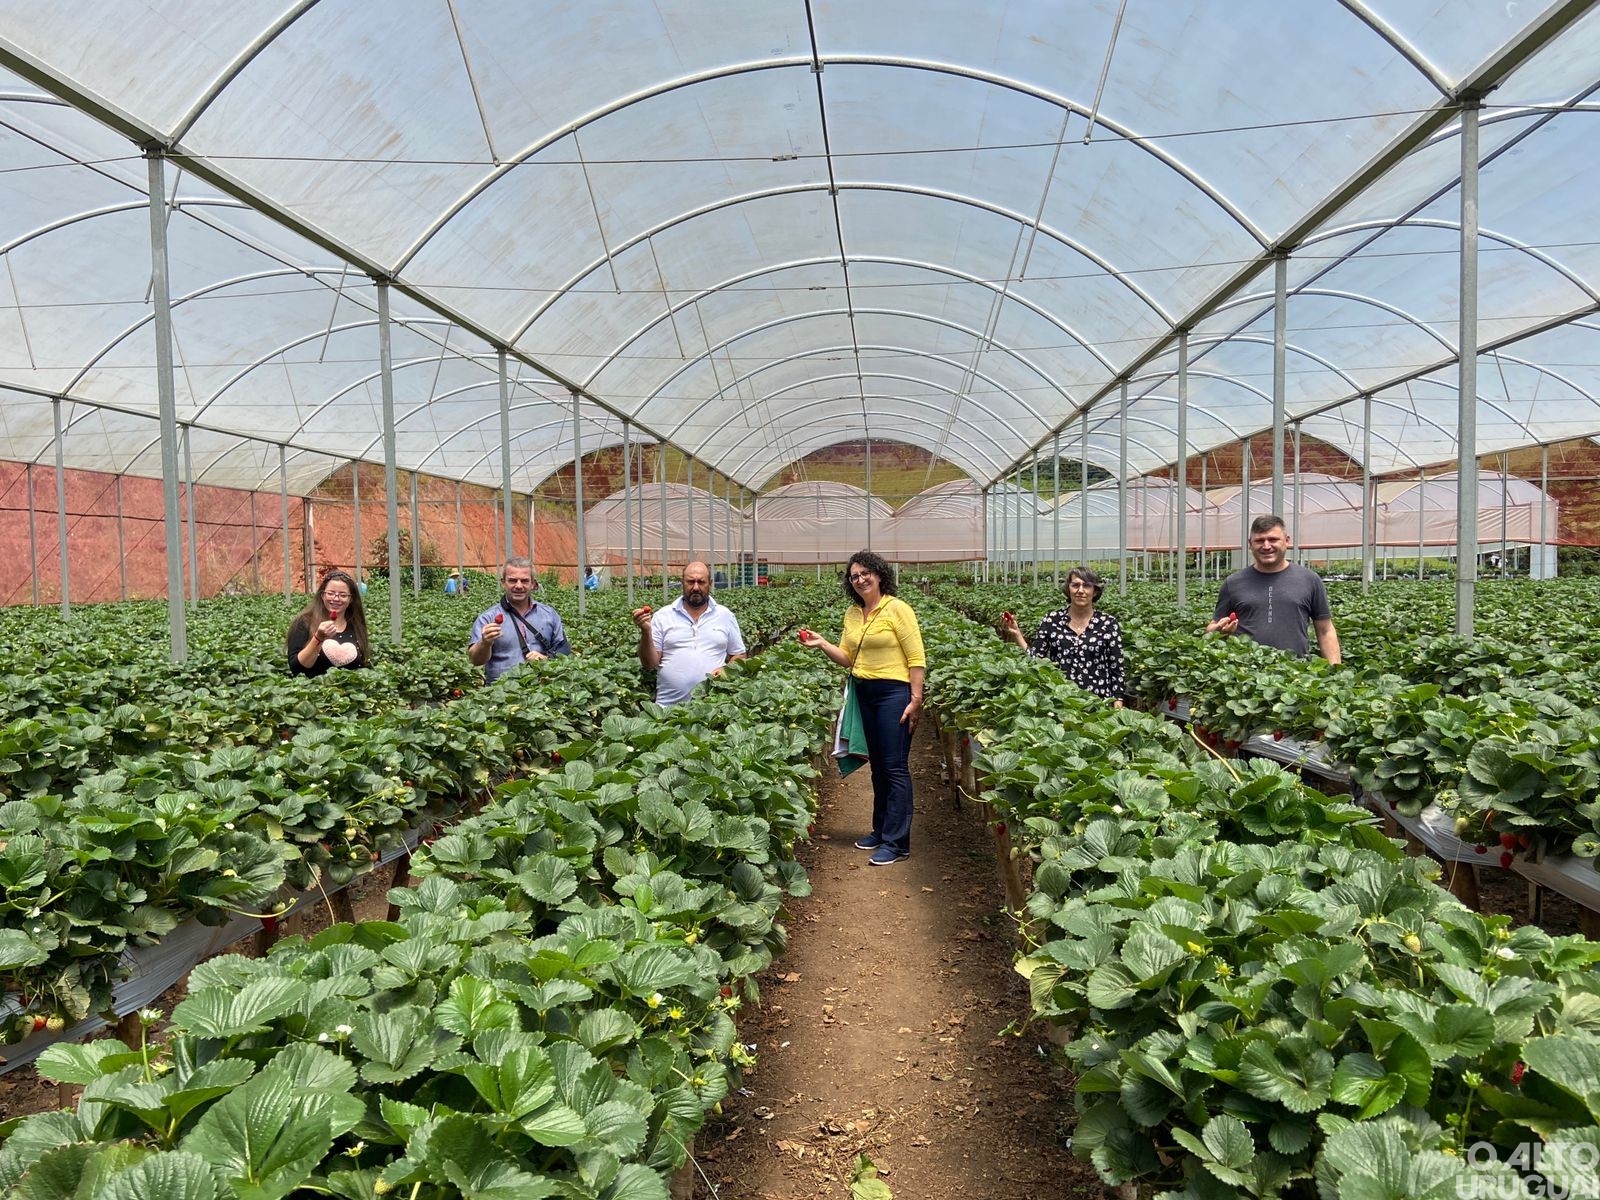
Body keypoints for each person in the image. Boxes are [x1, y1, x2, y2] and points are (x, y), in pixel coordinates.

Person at [799, 551, 925, 866]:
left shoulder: (898, 609)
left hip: (893, 693)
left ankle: (898, 844)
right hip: (864, 693)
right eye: (854, 576)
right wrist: (823, 644)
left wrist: (915, 699)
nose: (860, 579)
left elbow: (916, 657)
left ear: (880, 575)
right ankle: (881, 831)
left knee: (895, 768)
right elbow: (848, 657)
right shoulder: (853, 615)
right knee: (879, 766)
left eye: (865, 573)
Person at [1207, 515, 1341, 662]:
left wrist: (1335, 670)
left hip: (1297, 672)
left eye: (1273, 539)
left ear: (1287, 541)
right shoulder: (1233, 583)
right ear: (1250, 544)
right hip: (1248, 673)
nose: (1266, 546)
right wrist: (1218, 631)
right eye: (1259, 540)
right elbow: (1213, 626)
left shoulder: (1309, 579)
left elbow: (1325, 631)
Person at [1000, 566, 1125, 705]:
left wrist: (1118, 703)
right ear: (1068, 589)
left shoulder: (1108, 624)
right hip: (1060, 702)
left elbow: (1116, 668)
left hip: (1098, 704)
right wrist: (1018, 635)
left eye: (1087, 585)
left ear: (1095, 591)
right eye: (1075, 585)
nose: (1081, 591)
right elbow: (1036, 660)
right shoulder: (1052, 620)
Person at [633, 560, 746, 706]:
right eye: (690, 582)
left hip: (713, 707)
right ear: (682, 583)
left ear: (710, 584)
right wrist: (646, 631)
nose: (696, 587)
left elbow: (739, 655)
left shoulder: (725, 615)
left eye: (701, 582)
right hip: (667, 709)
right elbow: (649, 664)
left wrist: (727, 670)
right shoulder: (663, 616)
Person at [469, 558, 572, 682]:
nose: (518, 586)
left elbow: (564, 651)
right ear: (503, 583)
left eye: (524, 581)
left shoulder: (549, 615)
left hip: (541, 692)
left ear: (533, 584)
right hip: (500, 693)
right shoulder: (487, 618)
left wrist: (546, 659)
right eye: (512, 580)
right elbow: (476, 661)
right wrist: (485, 642)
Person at [287, 569, 369, 677]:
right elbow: (296, 668)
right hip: (313, 690)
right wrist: (318, 638)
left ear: (351, 599)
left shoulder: (356, 626)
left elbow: (362, 666)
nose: (336, 598)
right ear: (322, 595)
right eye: (330, 593)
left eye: (343, 595)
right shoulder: (304, 622)